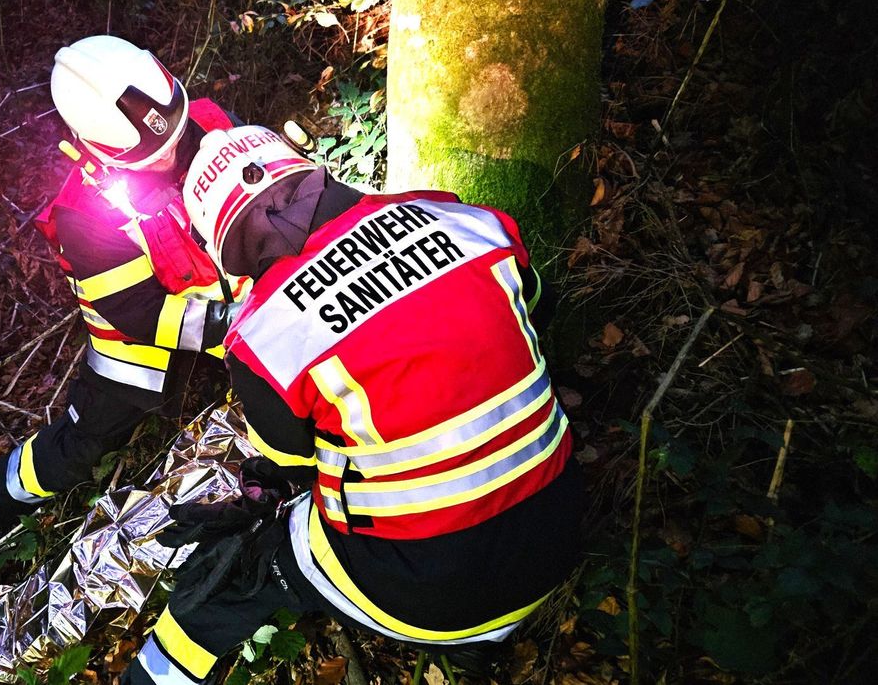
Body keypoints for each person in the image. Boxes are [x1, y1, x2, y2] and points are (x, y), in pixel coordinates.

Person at [123, 126, 585, 684]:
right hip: (561, 525)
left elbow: (292, 471)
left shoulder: (261, 338)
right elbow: (538, 307)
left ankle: (150, 676)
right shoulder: (470, 223)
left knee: (237, 571)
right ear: (306, 167)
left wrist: (253, 497)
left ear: (225, 245)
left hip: (423, 587)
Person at [0, 36, 248, 549]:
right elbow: (138, 313)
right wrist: (239, 323)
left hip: (234, 305)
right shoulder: (86, 214)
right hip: (137, 348)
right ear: (93, 146)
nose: (171, 160)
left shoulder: (209, 119)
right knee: (85, 443)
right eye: (151, 156)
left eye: (176, 137)